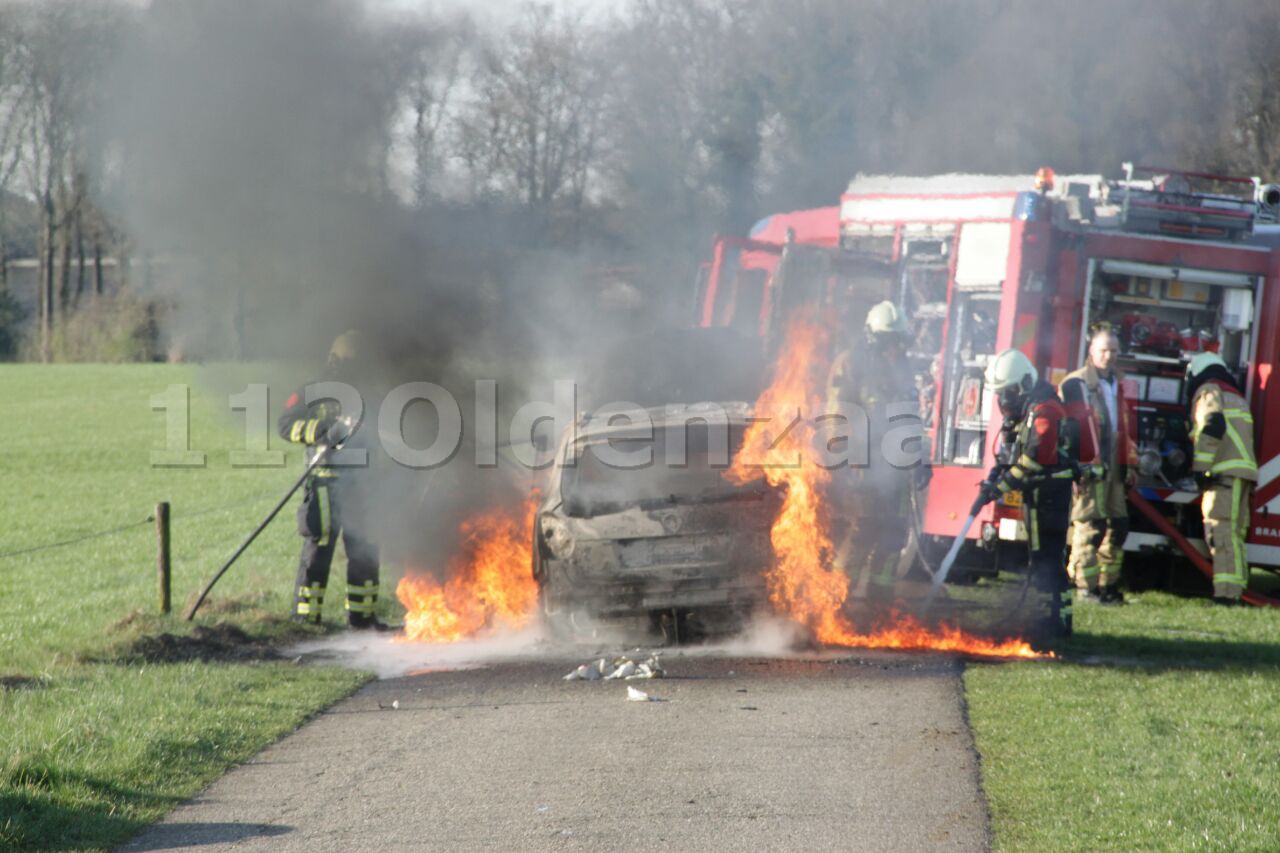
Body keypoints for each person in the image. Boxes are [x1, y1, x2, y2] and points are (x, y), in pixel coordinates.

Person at [278, 330, 388, 629]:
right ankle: (306, 618)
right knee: (319, 549)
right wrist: (322, 429)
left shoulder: (371, 393)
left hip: (362, 486)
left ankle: (363, 619)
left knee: (364, 549)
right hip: (325, 484)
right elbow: (286, 425)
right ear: (335, 361)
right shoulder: (311, 391)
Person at [975, 349, 1077, 643]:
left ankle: (1053, 624)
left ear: (1021, 385)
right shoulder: (1028, 409)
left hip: (1051, 497)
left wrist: (999, 488)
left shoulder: (1045, 410)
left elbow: (1033, 459)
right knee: (1039, 557)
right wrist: (994, 478)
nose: (1002, 401)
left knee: (1047, 558)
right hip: (1039, 496)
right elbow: (1010, 454)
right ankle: (1049, 620)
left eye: (1006, 393)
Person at [827, 300, 919, 602]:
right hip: (862, 465)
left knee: (894, 534)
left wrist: (918, 459)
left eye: (898, 341)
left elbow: (908, 414)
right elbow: (838, 417)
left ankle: (880, 607)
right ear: (872, 338)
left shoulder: (902, 366)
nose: (894, 349)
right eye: (888, 342)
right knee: (861, 531)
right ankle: (837, 604)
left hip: (896, 466)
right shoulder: (851, 364)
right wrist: (850, 461)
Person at [1060, 328, 1136, 604]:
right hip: (1089, 468)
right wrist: (1074, 470)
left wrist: (1132, 465)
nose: (1109, 356)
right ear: (1091, 351)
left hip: (1116, 466)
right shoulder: (1076, 384)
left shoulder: (1120, 383)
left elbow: (1126, 428)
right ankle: (1084, 587)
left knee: (1118, 525)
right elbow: (1068, 431)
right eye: (1104, 350)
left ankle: (1107, 586)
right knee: (1089, 526)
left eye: (1114, 351)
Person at [1185, 352, 1257, 605]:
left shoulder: (1209, 390)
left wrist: (1201, 469)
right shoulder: (1236, 394)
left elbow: (1212, 425)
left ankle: (1225, 596)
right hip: (1241, 473)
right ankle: (1233, 592)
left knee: (1221, 532)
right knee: (1234, 535)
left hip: (1222, 473)